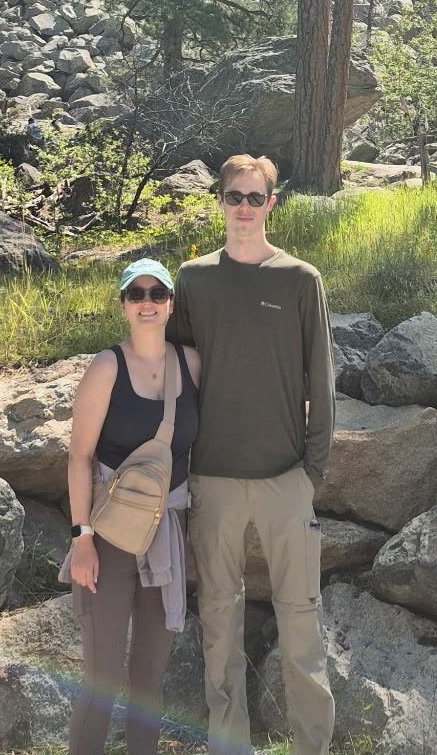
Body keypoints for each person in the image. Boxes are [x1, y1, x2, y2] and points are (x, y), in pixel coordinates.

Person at [170, 153, 336, 755]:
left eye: (254, 197)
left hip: (284, 480)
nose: (243, 207)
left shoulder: (300, 279)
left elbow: (322, 382)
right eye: (233, 196)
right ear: (218, 201)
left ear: (272, 203)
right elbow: (175, 377)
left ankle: (311, 747)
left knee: (301, 627)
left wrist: (310, 472)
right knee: (219, 626)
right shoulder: (191, 279)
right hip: (211, 479)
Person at [62, 258, 201, 755]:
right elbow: (79, 457)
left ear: (170, 304)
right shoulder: (106, 367)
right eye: (136, 294)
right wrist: (81, 539)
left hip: (170, 534)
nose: (147, 303)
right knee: (102, 677)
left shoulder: (191, 364)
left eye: (157, 294)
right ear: (123, 304)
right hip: (110, 540)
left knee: (149, 677)